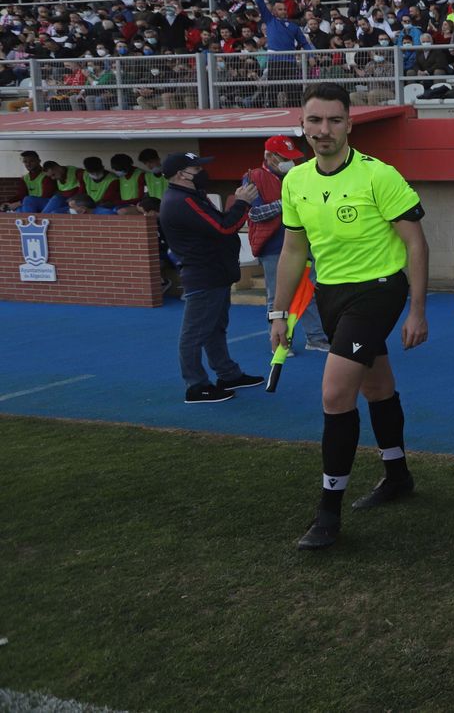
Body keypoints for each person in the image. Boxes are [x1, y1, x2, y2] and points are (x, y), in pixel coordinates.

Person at [271, 83, 430, 552]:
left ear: (349, 124)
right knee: (376, 387)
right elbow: (293, 251)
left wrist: (417, 310)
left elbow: (416, 243)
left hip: (379, 291)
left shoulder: (378, 176)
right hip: (331, 296)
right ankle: (398, 475)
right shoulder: (295, 181)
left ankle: (328, 513)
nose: (324, 130)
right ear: (303, 125)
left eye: (334, 120)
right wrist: (278, 312)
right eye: (315, 121)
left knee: (335, 392)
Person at [158, 151, 264, 404]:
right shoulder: (182, 201)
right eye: (195, 169)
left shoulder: (190, 197)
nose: (201, 173)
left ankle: (228, 374)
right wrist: (242, 202)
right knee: (194, 334)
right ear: (181, 175)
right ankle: (196, 386)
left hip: (213, 274)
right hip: (203, 276)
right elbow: (224, 227)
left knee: (215, 329)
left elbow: (218, 224)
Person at [245, 135, 330, 355]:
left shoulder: (299, 175)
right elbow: (254, 213)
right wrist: (286, 203)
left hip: (303, 243)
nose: (290, 162)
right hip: (273, 247)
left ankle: (317, 338)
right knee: (276, 296)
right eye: (284, 157)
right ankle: (281, 342)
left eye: (292, 157)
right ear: (269, 156)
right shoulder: (254, 177)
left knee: (309, 292)